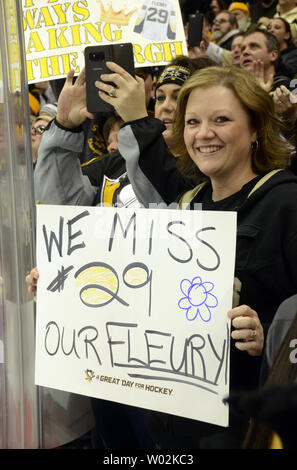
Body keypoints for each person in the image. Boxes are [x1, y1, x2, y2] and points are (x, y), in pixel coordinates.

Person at [96, 63, 297, 448]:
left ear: (255, 129)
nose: (204, 134)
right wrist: (63, 283)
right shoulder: (184, 208)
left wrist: (269, 331)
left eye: (221, 119)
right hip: (170, 430)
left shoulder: (286, 204)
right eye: (192, 122)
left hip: (245, 433)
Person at [32, 55, 214, 448]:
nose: (166, 105)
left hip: (169, 360)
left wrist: (137, 125)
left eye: (179, 98)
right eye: (161, 96)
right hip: (106, 349)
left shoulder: (208, 172)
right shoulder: (114, 162)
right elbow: (60, 212)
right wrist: (64, 127)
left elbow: (167, 217)